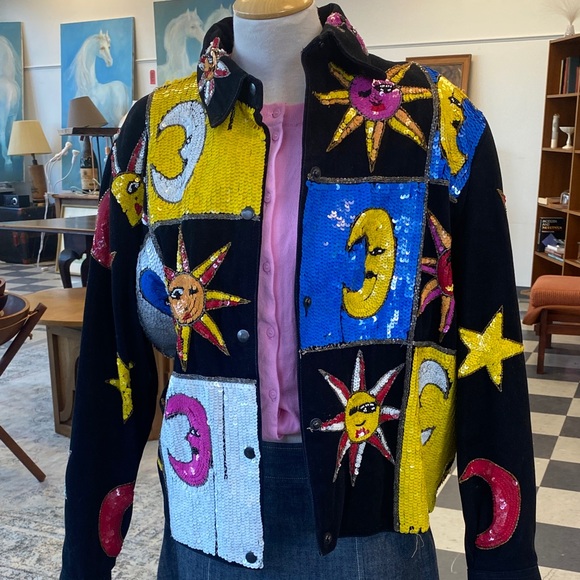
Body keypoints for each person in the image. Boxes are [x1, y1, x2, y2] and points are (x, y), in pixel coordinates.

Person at [61, 1, 541, 578]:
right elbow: (109, 362)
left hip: (375, 519)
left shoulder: (440, 120)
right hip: (207, 508)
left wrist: (506, 566)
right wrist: (83, 563)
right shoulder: (152, 130)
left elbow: (493, 371)